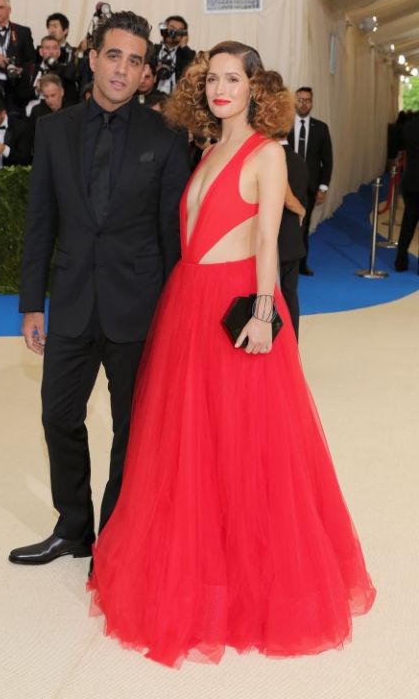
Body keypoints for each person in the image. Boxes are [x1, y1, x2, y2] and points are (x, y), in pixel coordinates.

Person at [87, 41, 376, 668]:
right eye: (211, 79)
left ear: (255, 88)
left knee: (245, 444)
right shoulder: (206, 150)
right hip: (186, 304)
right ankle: (199, 568)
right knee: (191, 442)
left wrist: (267, 313)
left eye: (232, 79)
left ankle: (249, 583)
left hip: (235, 308)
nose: (220, 89)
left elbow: (269, 240)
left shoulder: (266, 152)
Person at [9, 11, 190, 565]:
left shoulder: (167, 136)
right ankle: (74, 527)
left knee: (132, 430)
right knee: (58, 416)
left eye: (135, 61)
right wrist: (31, 304)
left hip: (139, 307)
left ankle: (116, 535)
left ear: (144, 73)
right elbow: (41, 221)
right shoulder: (54, 130)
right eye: (114, 55)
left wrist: (176, 313)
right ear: (92, 59)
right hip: (71, 301)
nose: (122, 69)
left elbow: (172, 235)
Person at [287, 87, 333, 275]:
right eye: (300, 100)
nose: (304, 104)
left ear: (312, 103)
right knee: (286, 226)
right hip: (286, 185)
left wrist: (323, 188)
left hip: (309, 188)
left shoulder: (321, 128)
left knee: (303, 226)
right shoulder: (285, 125)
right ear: (294, 101)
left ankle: (301, 264)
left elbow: (327, 160)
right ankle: (283, 264)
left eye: (307, 100)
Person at [276, 130, 308, 338]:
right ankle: (292, 342)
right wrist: (301, 211)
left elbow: (288, 200)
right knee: (290, 294)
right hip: (292, 239)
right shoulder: (299, 160)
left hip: (273, 242)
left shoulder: (268, 158)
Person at [394, 111, 419, 272]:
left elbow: (399, 149)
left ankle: (400, 262)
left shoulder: (408, 126)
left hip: (410, 179)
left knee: (408, 222)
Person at [152, 15, 195, 94]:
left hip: (176, 97)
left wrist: (184, 47)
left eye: (179, 31)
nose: (174, 33)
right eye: (172, 29)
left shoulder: (187, 54)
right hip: (153, 95)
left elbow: (192, 70)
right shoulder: (152, 50)